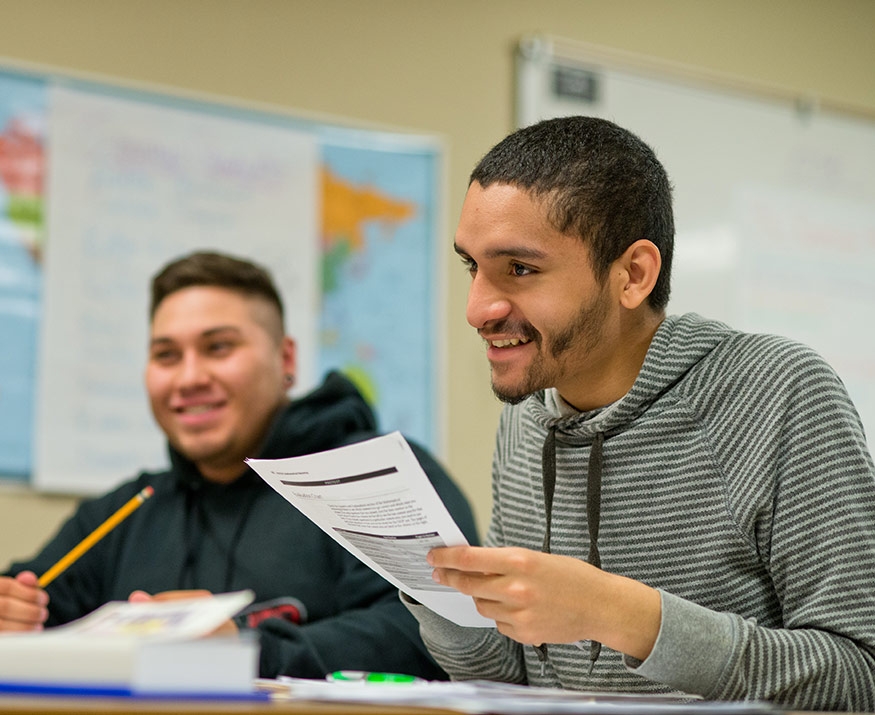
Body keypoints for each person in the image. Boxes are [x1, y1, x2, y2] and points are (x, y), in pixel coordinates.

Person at [403, 116, 875, 711]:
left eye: (519, 269)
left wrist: (622, 615)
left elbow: (862, 676)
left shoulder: (776, 392)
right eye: (473, 266)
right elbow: (515, 678)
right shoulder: (527, 416)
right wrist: (427, 588)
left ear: (633, 275)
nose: (477, 309)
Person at [1, 250, 479, 681]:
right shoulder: (130, 510)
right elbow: (32, 601)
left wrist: (244, 648)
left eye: (218, 347)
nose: (189, 378)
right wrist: (13, 613)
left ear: (285, 358)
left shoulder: (375, 478)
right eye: (166, 355)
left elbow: (442, 636)